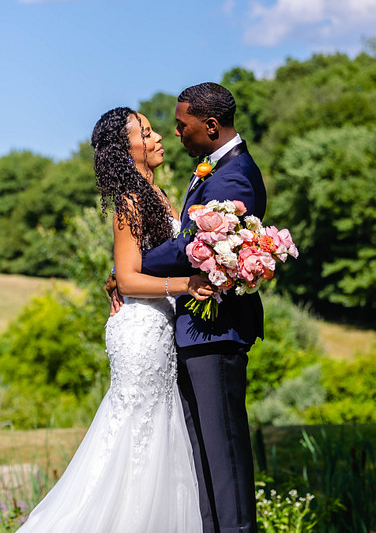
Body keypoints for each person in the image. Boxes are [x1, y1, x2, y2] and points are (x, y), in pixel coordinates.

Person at [15, 106, 209, 533]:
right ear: (126, 148)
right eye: (147, 132)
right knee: (136, 434)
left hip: (157, 325)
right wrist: (185, 284)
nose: (158, 137)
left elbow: (139, 266)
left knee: (159, 433)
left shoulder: (155, 194)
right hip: (141, 330)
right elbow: (128, 277)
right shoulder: (130, 200)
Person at [110, 82, 266, 533]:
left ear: (211, 126)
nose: (175, 133)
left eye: (182, 125)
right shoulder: (212, 171)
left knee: (224, 454)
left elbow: (193, 245)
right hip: (196, 331)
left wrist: (129, 269)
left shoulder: (234, 174)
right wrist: (129, 272)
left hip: (216, 331)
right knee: (203, 454)